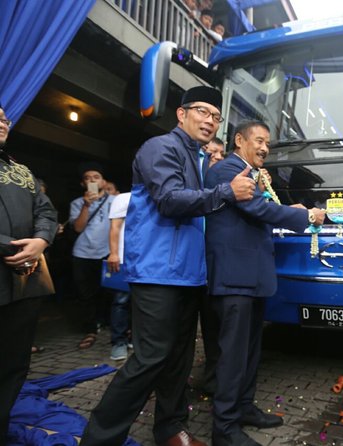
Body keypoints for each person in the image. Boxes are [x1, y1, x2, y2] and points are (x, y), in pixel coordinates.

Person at [80, 86, 256, 446]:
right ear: (182, 114)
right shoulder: (160, 147)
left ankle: (172, 430)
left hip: (189, 275)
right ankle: (99, 438)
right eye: (202, 112)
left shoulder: (198, 157)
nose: (210, 121)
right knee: (150, 358)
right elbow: (170, 200)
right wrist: (226, 193)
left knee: (178, 359)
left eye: (216, 116)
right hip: (158, 272)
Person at [204, 120, 326, 446]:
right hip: (233, 279)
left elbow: (262, 208)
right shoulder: (225, 170)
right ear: (239, 140)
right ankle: (224, 429)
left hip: (251, 278)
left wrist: (286, 206)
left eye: (267, 144)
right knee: (232, 357)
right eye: (258, 141)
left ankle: (244, 408)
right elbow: (257, 209)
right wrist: (305, 216)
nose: (264, 148)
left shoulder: (252, 174)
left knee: (249, 351)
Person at [0, 103, 58, 444]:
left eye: (5, 118)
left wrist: (40, 240)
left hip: (23, 286)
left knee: (13, 366)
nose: (3, 123)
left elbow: (46, 210)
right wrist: (13, 248)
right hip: (12, 266)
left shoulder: (21, 170)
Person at [69, 162, 114, 350]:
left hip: (106, 253)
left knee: (107, 292)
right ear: (83, 184)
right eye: (87, 178)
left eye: (96, 177)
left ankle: (105, 322)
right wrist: (86, 206)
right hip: (82, 254)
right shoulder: (77, 203)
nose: (92, 181)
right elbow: (78, 228)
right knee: (85, 293)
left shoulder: (115, 202)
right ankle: (90, 329)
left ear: (103, 182)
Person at [106, 191, 131, 361]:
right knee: (121, 301)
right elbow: (115, 227)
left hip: (150, 260)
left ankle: (135, 338)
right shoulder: (123, 198)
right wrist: (114, 253)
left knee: (143, 302)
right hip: (124, 259)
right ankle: (118, 341)